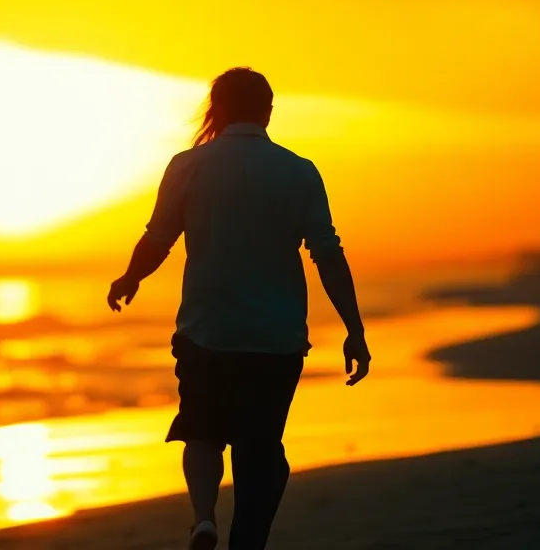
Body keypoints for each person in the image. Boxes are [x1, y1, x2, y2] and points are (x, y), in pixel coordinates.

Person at [107, 67, 370, 550]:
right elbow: (327, 253)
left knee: (202, 433)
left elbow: (158, 239)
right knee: (262, 449)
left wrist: (130, 278)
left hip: (206, 332)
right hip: (277, 338)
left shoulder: (187, 166)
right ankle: (246, 541)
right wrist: (354, 329)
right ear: (268, 110)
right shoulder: (298, 170)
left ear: (217, 108)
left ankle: (204, 517)